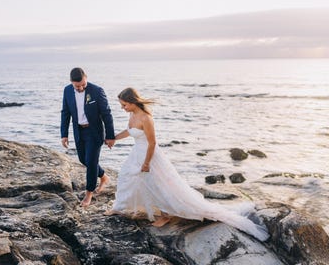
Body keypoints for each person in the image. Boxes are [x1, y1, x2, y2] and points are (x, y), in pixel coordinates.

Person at [104, 87, 269, 241]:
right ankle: (119, 206)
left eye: (124, 105)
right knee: (126, 176)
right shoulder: (132, 115)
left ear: (132, 102)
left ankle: (165, 215)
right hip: (136, 154)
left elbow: (152, 143)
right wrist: (113, 138)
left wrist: (147, 163)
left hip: (150, 155)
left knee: (157, 184)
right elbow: (130, 131)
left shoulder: (146, 118)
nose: (122, 108)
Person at [61, 67, 116, 207]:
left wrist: (110, 136)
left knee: (91, 162)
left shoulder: (97, 91)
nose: (80, 88)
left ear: (86, 78)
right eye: (77, 86)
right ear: (71, 82)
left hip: (94, 131)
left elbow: (106, 114)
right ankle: (103, 177)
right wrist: (64, 134)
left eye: (83, 85)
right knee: (83, 159)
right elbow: (65, 112)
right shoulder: (67, 91)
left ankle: (89, 194)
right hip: (78, 131)